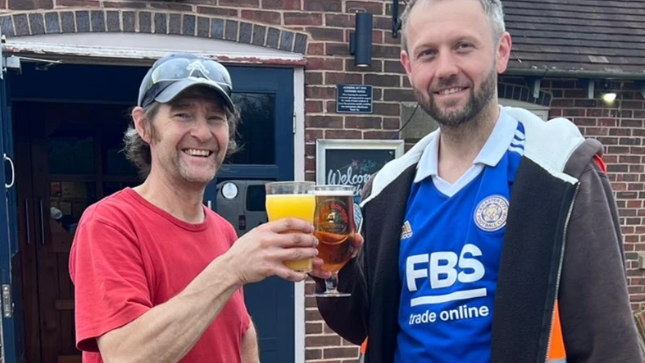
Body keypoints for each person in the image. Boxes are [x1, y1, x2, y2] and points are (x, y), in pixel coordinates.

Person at [311, 0, 643, 362]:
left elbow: (609, 344)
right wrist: (334, 272)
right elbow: (365, 324)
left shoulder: (561, 169)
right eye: (427, 53)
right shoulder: (387, 189)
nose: (445, 69)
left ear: (501, 52)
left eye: (463, 46)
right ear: (408, 67)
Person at [69, 53, 319, 363]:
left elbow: (240, 333)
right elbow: (126, 355)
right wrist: (231, 269)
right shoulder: (109, 223)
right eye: (183, 115)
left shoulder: (223, 230)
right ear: (144, 125)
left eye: (215, 118)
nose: (202, 133)